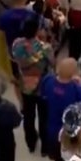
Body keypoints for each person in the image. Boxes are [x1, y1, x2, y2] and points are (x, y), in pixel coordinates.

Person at [11, 17, 53, 152]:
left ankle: (31, 143)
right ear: (36, 30)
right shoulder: (45, 48)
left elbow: (14, 59)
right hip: (42, 86)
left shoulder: (16, 44)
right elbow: (53, 63)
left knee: (28, 116)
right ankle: (45, 146)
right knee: (44, 117)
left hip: (25, 85)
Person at [39, 55, 81, 155]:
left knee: (56, 155)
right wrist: (80, 84)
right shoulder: (76, 89)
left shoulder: (47, 80)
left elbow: (43, 95)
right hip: (69, 133)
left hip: (52, 128)